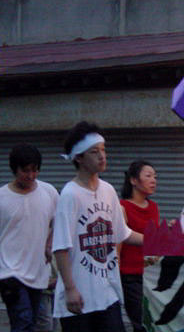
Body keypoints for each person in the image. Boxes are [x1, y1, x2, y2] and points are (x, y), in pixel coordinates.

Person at [52, 121, 144, 332]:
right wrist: (70, 289)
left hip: (107, 293)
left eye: (103, 150)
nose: (102, 156)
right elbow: (60, 247)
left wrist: (159, 240)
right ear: (79, 158)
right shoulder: (70, 195)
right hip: (80, 297)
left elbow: (123, 233)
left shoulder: (108, 190)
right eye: (94, 152)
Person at [0, 144, 59, 332]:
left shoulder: (49, 192)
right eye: (25, 171)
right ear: (15, 169)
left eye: (35, 170)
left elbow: (60, 223)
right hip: (9, 272)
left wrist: (49, 244)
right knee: (23, 321)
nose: (31, 176)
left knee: (34, 322)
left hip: (38, 272)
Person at [118, 160, 160, 332]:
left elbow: (155, 239)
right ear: (133, 180)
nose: (153, 180)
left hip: (151, 274)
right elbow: (118, 242)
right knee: (137, 321)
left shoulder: (154, 207)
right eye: (148, 176)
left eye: (155, 176)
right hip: (130, 275)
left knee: (152, 319)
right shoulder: (122, 207)